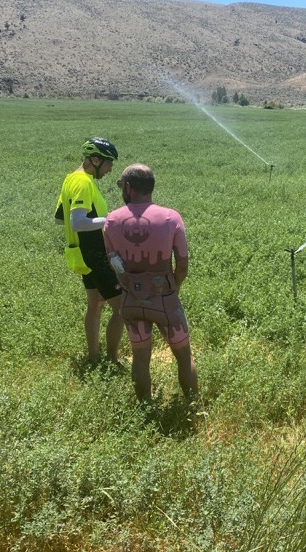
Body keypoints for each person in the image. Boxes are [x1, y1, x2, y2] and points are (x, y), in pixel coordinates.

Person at [103, 163, 198, 402]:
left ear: (128, 187)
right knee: (183, 356)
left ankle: (145, 406)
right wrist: (172, 287)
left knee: (140, 357)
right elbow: (183, 264)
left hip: (131, 302)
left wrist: (129, 286)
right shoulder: (170, 217)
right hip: (165, 300)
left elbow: (115, 264)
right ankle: (193, 406)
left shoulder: (112, 221)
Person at [55, 138, 124, 364]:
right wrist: (110, 219)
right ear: (95, 160)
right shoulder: (83, 182)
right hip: (94, 254)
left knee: (94, 305)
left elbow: (60, 219)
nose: (111, 168)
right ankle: (113, 360)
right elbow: (78, 222)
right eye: (108, 163)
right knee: (122, 309)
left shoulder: (70, 180)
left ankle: (93, 357)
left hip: (81, 253)